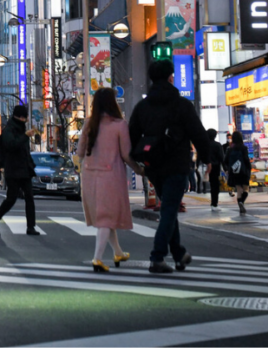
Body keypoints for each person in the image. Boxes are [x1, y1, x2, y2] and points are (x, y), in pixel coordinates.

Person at [129, 59, 211, 274]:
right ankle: (157, 256)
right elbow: (198, 134)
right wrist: (209, 156)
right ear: (170, 77)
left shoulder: (142, 107)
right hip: (176, 164)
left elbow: (132, 137)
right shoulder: (181, 105)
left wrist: (139, 163)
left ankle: (178, 253)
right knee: (168, 210)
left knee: (169, 208)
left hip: (153, 166)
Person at [78, 88, 144, 272]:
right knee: (107, 218)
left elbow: (80, 152)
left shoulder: (89, 123)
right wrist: (139, 169)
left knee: (105, 217)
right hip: (111, 176)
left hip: (90, 176)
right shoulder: (119, 125)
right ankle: (97, 258)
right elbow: (126, 154)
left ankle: (118, 252)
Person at [0, 105, 40, 235]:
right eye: (25, 117)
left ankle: (31, 226)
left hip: (24, 169)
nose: (26, 119)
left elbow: (23, 150)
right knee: (11, 198)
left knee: (29, 197)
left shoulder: (19, 128)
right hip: (13, 170)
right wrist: (25, 136)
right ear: (21, 117)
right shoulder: (10, 129)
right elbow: (11, 145)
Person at [226, 130, 252, 215]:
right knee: (246, 189)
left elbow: (225, 161)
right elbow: (246, 160)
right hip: (243, 171)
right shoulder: (243, 148)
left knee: (239, 189)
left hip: (234, 172)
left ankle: (240, 203)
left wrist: (227, 169)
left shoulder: (230, 149)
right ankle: (242, 202)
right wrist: (249, 168)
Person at [204, 129, 225, 211]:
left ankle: (213, 203)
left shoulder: (205, 145)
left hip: (206, 166)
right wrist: (225, 168)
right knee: (215, 185)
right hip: (216, 167)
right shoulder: (217, 145)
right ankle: (214, 203)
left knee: (211, 184)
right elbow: (221, 157)